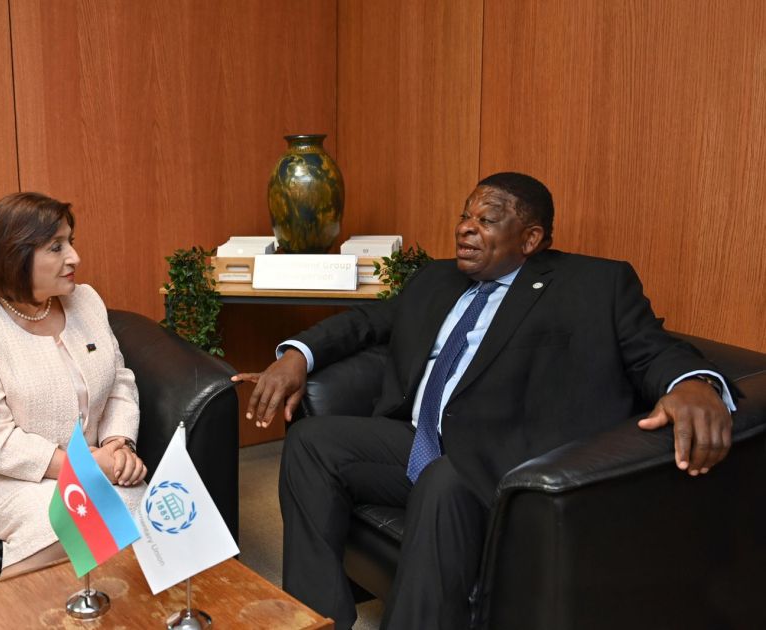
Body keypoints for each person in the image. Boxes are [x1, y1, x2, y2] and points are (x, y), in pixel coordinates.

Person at [232, 172, 735, 629]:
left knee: (444, 479)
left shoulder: (595, 285)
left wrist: (693, 383)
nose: (466, 229)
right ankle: (315, 619)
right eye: (465, 216)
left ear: (530, 239)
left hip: (504, 457)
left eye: (487, 220)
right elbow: (366, 322)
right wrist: (298, 355)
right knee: (312, 441)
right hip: (420, 440)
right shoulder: (435, 278)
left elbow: (653, 350)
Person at [0, 192, 147, 577]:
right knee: (78, 517)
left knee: (141, 506)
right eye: (56, 247)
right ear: (14, 256)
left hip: (91, 464)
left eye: (71, 242)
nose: (74, 258)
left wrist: (119, 445)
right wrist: (85, 467)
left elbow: (118, 382)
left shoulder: (87, 302)